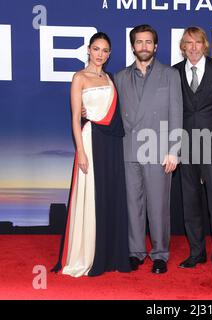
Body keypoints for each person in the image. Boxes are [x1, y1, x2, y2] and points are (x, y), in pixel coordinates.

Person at [52, 32, 131, 277]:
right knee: (90, 196)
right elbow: (76, 118)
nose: (100, 54)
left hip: (110, 145)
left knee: (109, 194)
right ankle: (85, 254)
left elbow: (115, 116)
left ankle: (108, 253)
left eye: (105, 50)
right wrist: (81, 152)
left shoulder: (109, 78)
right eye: (96, 49)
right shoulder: (79, 78)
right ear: (88, 50)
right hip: (89, 141)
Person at [114, 25, 183, 274]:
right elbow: (111, 115)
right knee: (133, 204)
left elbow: (177, 113)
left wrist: (174, 149)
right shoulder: (120, 77)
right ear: (133, 46)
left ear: (156, 46)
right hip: (129, 148)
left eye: (148, 42)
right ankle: (135, 252)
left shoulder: (169, 75)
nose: (143, 46)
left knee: (158, 206)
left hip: (158, 149)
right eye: (139, 42)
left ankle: (160, 254)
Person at [173, 27, 212, 278]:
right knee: (190, 200)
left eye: (198, 42)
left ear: (205, 45)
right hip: (185, 145)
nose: (193, 47)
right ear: (182, 47)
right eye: (188, 43)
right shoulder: (174, 72)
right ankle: (196, 252)